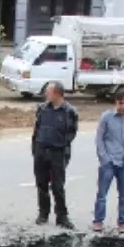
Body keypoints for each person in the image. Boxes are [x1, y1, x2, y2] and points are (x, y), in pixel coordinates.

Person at [31, 80, 78, 229]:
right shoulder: (42, 109)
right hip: (41, 151)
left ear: (57, 93)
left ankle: (62, 216)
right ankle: (43, 213)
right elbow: (36, 129)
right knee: (41, 184)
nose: (46, 94)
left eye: (48, 92)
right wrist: (36, 148)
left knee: (58, 186)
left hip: (57, 153)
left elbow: (71, 133)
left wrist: (59, 145)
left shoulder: (69, 111)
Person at [92, 91, 124, 234]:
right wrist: (104, 158)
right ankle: (98, 221)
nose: (123, 107)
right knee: (102, 194)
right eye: (120, 103)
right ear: (116, 103)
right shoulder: (107, 118)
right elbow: (99, 139)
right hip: (109, 162)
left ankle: (123, 223)